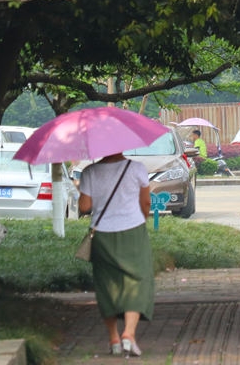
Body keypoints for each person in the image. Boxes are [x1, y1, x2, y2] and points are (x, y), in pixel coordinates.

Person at [77, 152, 154, 357]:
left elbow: (84, 206)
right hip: (133, 231)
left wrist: (81, 190)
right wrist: (139, 219)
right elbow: (146, 203)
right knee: (137, 280)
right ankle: (129, 333)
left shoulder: (89, 172)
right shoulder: (137, 168)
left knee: (107, 284)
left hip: (102, 234)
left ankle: (114, 339)